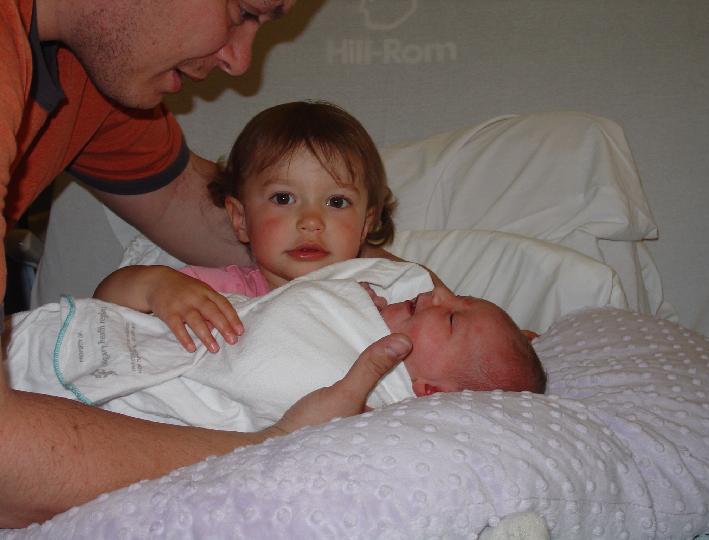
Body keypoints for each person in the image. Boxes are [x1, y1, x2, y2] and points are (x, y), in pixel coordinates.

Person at [0, 0, 411, 527]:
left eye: (336, 203)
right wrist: (275, 446)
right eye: (244, 10)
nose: (240, 62)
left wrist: (412, 287)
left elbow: (186, 202)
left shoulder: (92, 81)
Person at [5, 259, 545, 432]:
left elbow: (263, 377)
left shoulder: (369, 409)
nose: (434, 293)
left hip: (67, 415)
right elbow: (113, 300)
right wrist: (156, 284)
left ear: (428, 392)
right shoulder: (347, 292)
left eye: (450, 317)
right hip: (53, 343)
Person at [94, 100, 399, 354]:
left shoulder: (380, 303)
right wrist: (156, 285)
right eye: (283, 198)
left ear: (365, 225)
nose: (311, 221)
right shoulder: (216, 291)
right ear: (240, 219)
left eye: (336, 202)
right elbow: (102, 306)